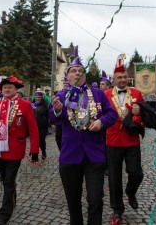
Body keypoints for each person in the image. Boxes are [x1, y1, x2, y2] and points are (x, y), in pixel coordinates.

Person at [49, 46, 117, 225]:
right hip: (70, 155)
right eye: (73, 71)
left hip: (94, 154)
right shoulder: (61, 96)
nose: (77, 73)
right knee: (73, 201)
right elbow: (54, 119)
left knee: (95, 200)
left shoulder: (98, 94)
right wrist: (57, 111)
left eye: (81, 71)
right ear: (68, 76)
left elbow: (112, 114)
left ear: (85, 76)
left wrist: (101, 122)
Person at [0, 75, 40, 225]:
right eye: (4, 87)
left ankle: (4, 215)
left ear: (16, 89)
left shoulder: (25, 105)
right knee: (5, 179)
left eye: (10, 87)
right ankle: (12, 199)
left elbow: (33, 129)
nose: (7, 89)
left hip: (15, 149)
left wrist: (35, 150)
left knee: (9, 181)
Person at [104, 54, 145, 224]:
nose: (122, 80)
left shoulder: (136, 93)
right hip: (112, 140)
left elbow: (146, 117)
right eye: (119, 77)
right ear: (113, 79)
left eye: (125, 77)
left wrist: (138, 114)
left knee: (136, 173)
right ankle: (117, 209)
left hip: (131, 139)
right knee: (114, 177)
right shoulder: (105, 94)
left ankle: (130, 191)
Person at [31, 90, 49, 159]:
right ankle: (34, 155)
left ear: (41, 97)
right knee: (34, 140)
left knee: (41, 140)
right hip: (34, 126)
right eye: (36, 97)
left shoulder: (45, 105)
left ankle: (43, 151)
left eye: (39, 97)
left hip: (42, 126)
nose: (37, 98)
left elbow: (47, 115)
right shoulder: (32, 105)